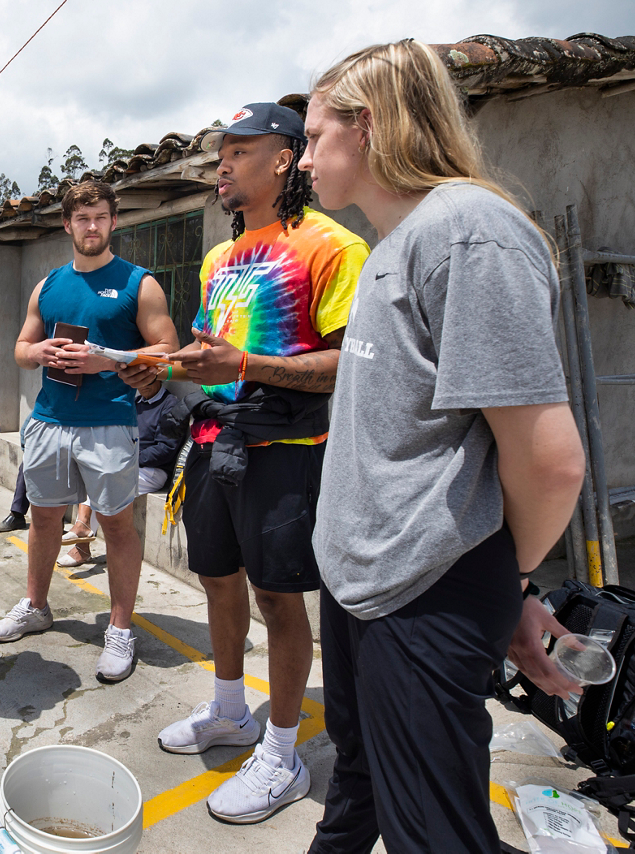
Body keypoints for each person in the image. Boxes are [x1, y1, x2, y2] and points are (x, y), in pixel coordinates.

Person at [299, 41, 584, 853]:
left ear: (371, 126)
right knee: (359, 784)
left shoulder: (469, 234)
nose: (306, 157)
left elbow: (550, 460)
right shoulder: (398, 242)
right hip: (367, 591)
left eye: (317, 136)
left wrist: (510, 581)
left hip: (421, 598)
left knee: (434, 832)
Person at [133, 103, 369, 824]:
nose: (223, 165)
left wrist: (248, 364)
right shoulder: (220, 257)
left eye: (239, 150)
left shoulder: (333, 246)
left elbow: (344, 366)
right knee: (216, 581)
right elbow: (212, 357)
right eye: (220, 154)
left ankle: (282, 751)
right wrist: (158, 369)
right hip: (212, 446)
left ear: (284, 158)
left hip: (285, 452)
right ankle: (231, 710)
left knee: (278, 600)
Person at [0, 180, 179, 684]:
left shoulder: (140, 283)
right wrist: (39, 353)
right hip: (50, 421)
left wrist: (105, 361)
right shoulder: (48, 285)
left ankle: (119, 629)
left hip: (112, 424)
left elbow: (168, 350)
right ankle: (36, 605)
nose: (90, 226)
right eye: (81, 218)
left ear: (114, 222)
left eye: (99, 217)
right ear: (67, 224)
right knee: (44, 520)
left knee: (116, 527)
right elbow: (21, 347)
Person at [57, 378, 188, 567]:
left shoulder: (171, 406)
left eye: (147, 381)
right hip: (127, 463)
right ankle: (82, 537)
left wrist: (128, 459)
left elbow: (166, 449)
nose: (142, 386)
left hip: (153, 470)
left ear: (158, 377)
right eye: (137, 382)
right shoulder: (136, 403)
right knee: (93, 476)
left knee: (105, 483)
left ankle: (82, 539)